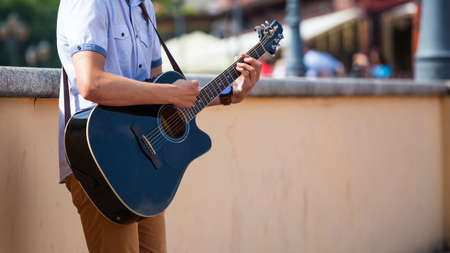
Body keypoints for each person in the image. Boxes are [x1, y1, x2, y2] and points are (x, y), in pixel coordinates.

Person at [56, 0, 262, 252]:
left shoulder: (145, 7)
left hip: (142, 163)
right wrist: (169, 93)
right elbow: (91, 83)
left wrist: (230, 94)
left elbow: (160, 100)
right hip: (99, 157)